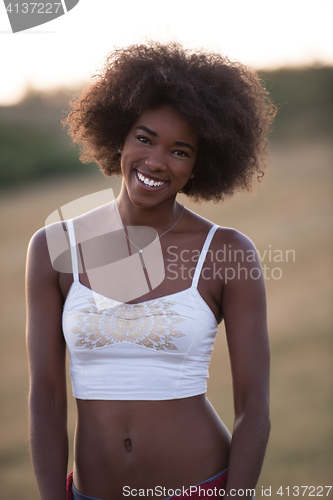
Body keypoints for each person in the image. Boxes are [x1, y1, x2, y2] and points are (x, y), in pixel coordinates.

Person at [26, 42, 275, 500]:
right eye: (144, 138)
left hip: (200, 488)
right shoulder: (53, 248)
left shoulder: (226, 252)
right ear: (118, 137)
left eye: (180, 151)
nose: (156, 162)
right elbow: (46, 399)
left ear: (201, 164)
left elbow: (253, 408)